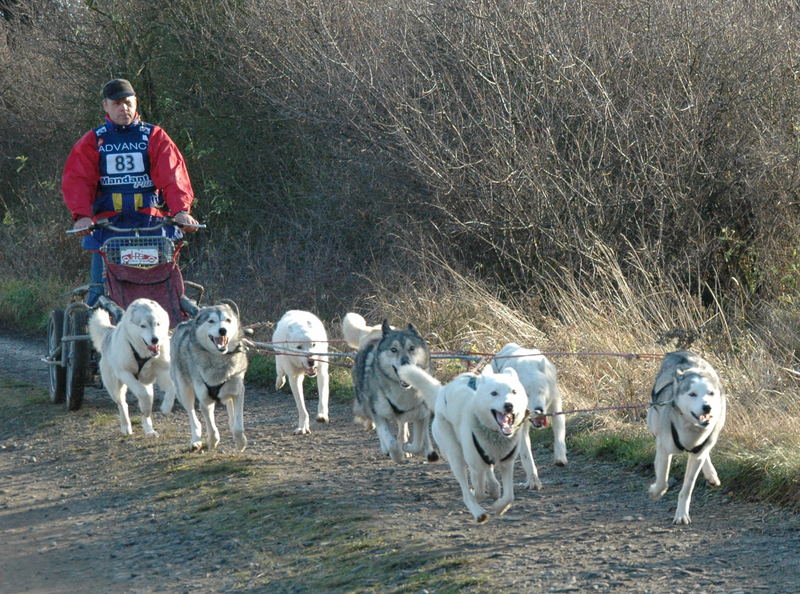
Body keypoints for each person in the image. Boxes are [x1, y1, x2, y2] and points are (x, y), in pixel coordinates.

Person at [61, 78, 199, 305]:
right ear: (105, 105)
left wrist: (181, 210)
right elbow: (78, 180)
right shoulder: (93, 140)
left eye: (128, 102)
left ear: (136, 103)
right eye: (116, 103)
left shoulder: (154, 136)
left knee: (165, 291)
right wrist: (82, 216)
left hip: (150, 224)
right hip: (108, 226)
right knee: (100, 292)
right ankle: (96, 324)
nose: (123, 108)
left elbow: (174, 175)